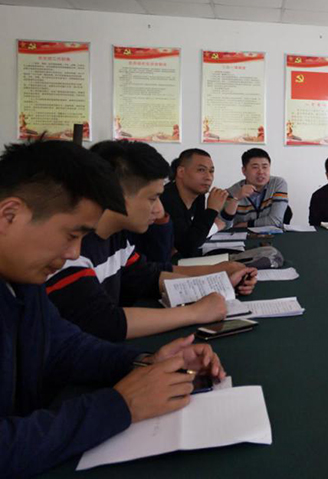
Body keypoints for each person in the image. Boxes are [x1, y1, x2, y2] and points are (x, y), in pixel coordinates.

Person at [0, 140, 225, 477]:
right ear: (10, 215)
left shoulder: (23, 279)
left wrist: (146, 362)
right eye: (71, 234)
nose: (75, 253)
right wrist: (120, 406)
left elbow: (66, 348)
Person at [46, 141, 256, 342]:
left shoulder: (117, 237)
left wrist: (220, 275)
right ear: (116, 194)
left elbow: (149, 275)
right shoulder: (72, 250)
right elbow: (104, 321)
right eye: (152, 199)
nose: (159, 210)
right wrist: (195, 313)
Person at [161, 148, 234, 257]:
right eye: (201, 170)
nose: (208, 177)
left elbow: (196, 235)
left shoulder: (199, 195)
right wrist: (212, 210)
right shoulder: (166, 198)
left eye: (211, 171)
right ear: (181, 172)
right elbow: (188, 246)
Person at [223, 148, 289, 229]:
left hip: (271, 235)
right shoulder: (231, 192)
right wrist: (236, 199)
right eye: (255, 167)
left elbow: (275, 221)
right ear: (244, 170)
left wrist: (245, 225)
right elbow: (224, 226)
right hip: (242, 235)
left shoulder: (277, 184)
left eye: (265, 167)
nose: (261, 172)